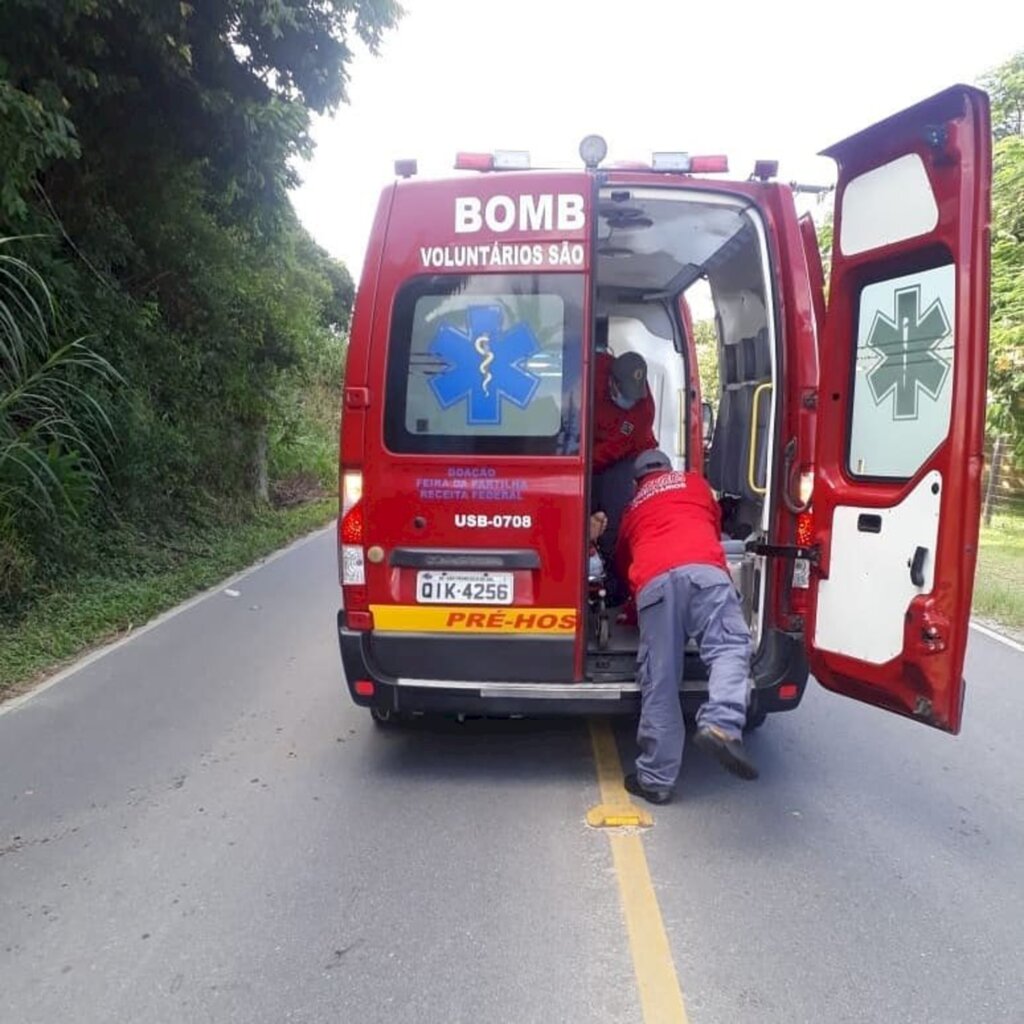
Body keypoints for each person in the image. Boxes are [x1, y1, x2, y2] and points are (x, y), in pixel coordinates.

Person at [609, 448, 758, 804]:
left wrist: (631, 611)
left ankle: (656, 781)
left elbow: (623, 564)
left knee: (660, 679)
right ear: (667, 469)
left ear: (637, 481)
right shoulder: (695, 484)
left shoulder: (632, 509)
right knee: (728, 647)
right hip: (705, 574)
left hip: (655, 584)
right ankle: (721, 723)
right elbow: (713, 522)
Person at [590, 349, 657, 591]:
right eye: (625, 394)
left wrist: (585, 466)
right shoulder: (593, 371)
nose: (630, 400)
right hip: (583, 450)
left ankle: (614, 579)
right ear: (613, 382)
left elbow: (618, 448)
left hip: (618, 457)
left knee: (616, 512)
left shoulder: (643, 409)